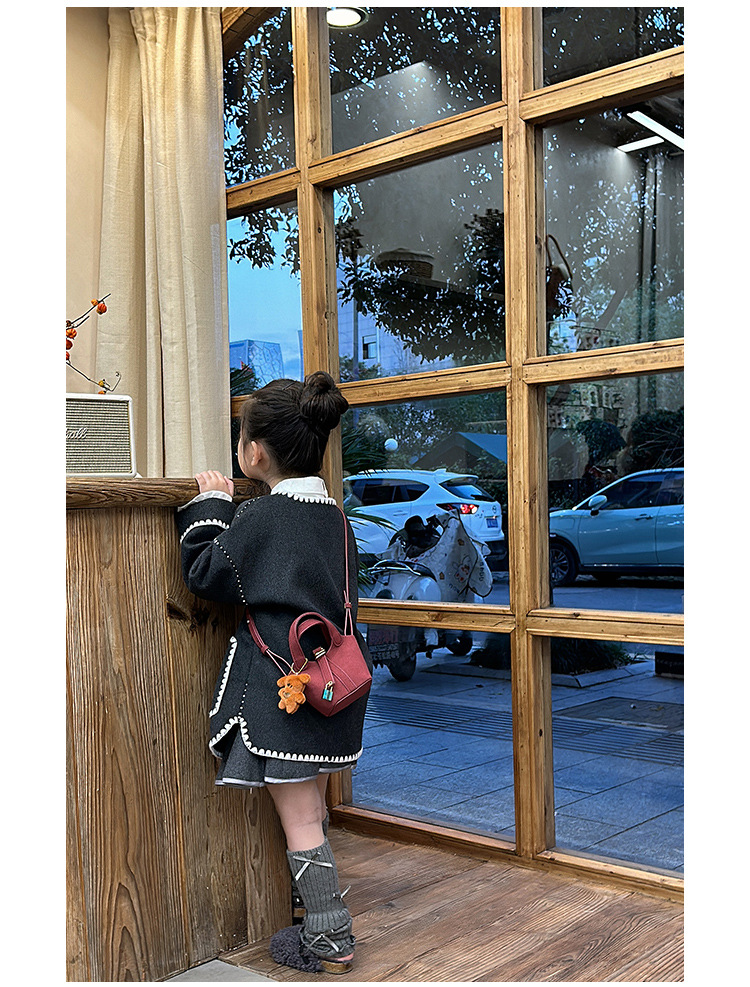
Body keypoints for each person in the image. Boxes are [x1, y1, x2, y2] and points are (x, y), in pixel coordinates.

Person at [175, 371, 371, 975]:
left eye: (240, 437)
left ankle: (330, 939)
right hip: (330, 688)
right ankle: (314, 914)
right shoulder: (337, 519)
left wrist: (212, 506)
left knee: (301, 818)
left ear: (254, 453)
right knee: (311, 808)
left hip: (284, 695)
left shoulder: (262, 516)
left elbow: (207, 574)